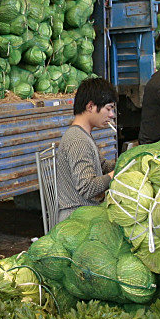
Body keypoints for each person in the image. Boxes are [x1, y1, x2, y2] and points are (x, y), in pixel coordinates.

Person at [53, 78, 117, 225]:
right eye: (108, 108)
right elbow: (88, 188)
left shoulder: (83, 134)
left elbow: (102, 166)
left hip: (86, 215)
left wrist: (126, 162)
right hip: (77, 221)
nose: (112, 115)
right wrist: (116, 174)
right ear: (90, 106)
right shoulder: (78, 141)